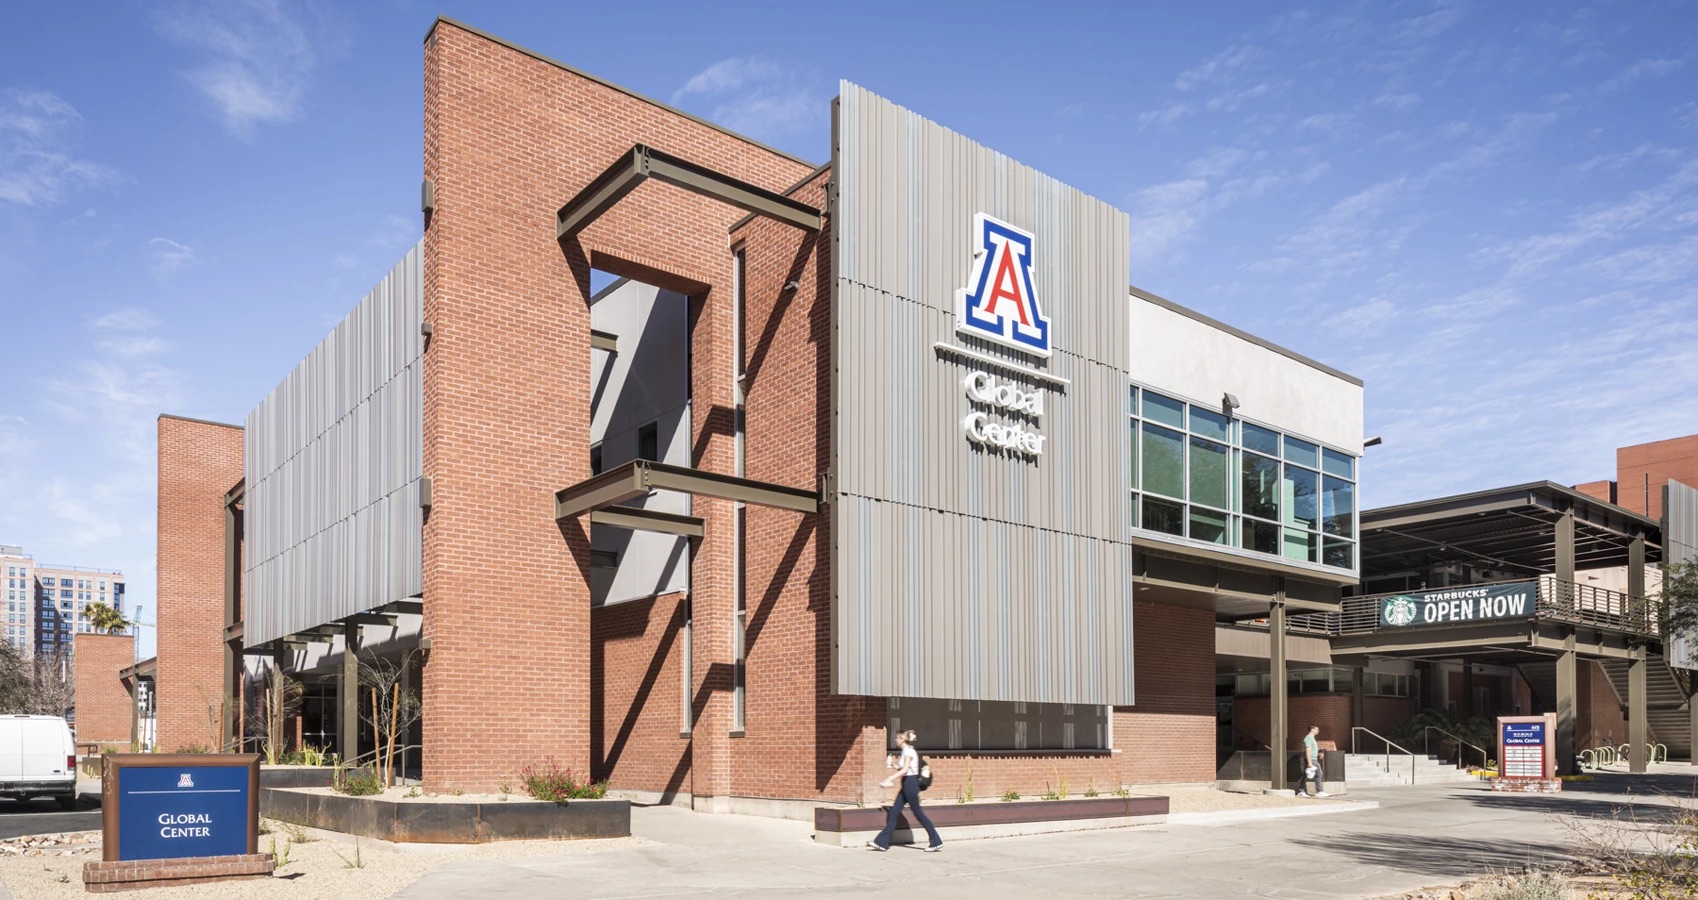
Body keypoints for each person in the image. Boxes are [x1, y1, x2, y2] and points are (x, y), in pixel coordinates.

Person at [867, 730, 943, 852]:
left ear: (902, 739)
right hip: (907, 783)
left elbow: (905, 770)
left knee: (919, 814)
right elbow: (904, 769)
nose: (895, 740)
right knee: (894, 812)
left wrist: (889, 778)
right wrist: (893, 766)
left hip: (910, 784)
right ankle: (882, 842)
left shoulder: (908, 751)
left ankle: (936, 841)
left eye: (897, 738)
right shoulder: (907, 751)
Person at [1297, 723, 1330, 798]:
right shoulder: (1308, 738)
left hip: (1313, 759)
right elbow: (1308, 750)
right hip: (1311, 760)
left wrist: (1318, 754)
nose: (1318, 731)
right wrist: (1309, 763)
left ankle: (1302, 791)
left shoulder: (1312, 738)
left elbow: (1311, 750)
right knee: (1316, 774)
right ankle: (1318, 791)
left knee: (1307, 775)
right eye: (1317, 729)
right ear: (1312, 729)